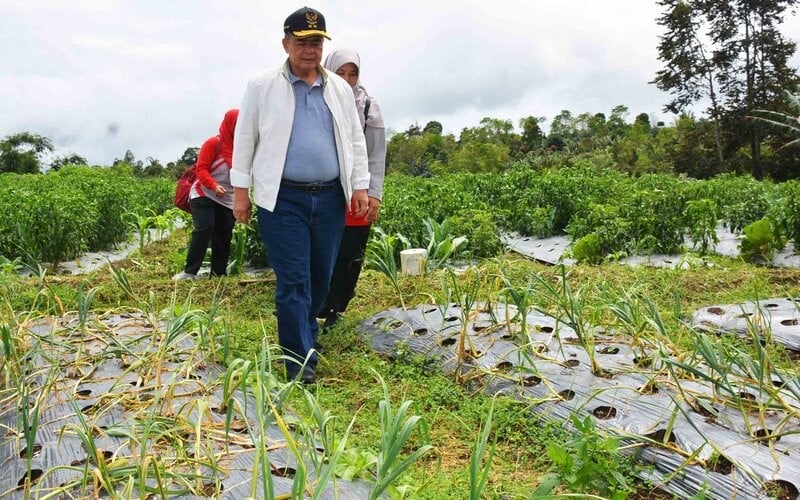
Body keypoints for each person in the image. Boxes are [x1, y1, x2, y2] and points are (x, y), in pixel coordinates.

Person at [230, 7, 369, 384]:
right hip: (283, 199)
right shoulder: (263, 86)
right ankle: (298, 362)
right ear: (286, 43)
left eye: (317, 43)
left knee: (320, 278)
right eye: (303, 42)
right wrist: (240, 193)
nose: (310, 51)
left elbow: (355, 140)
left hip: (328, 198)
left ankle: (307, 333)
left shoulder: (338, 88)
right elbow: (245, 140)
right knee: (294, 281)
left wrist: (360, 185)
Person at [318, 49, 386, 330]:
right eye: (340, 73)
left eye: (353, 73)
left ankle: (338, 306)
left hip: (357, 190)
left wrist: (374, 194)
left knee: (350, 252)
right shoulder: (315, 98)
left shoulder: (368, 106)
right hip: (324, 189)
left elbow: (376, 155)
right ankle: (319, 304)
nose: (346, 80)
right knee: (323, 250)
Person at [176, 108, 239, 280]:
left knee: (224, 234)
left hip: (227, 199)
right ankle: (189, 272)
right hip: (204, 193)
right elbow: (201, 169)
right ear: (230, 125)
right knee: (205, 227)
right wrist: (214, 185)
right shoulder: (213, 143)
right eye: (237, 125)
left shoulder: (243, 149)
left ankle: (218, 274)